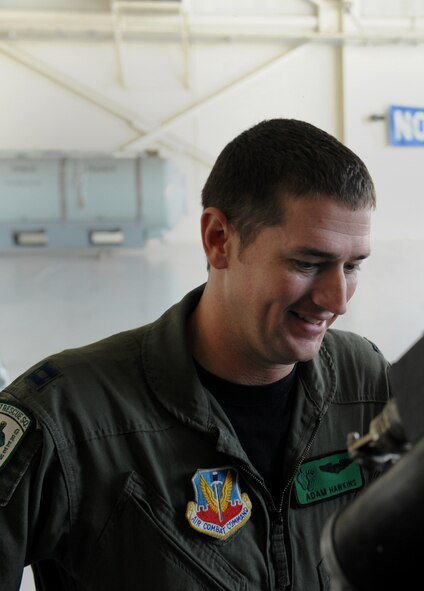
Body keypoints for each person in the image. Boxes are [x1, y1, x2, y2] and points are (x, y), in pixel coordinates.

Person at [0, 119, 390, 590]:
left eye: (352, 267)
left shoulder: (366, 381)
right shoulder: (68, 418)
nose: (338, 300)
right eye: (307, 263)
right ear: (219, 239)